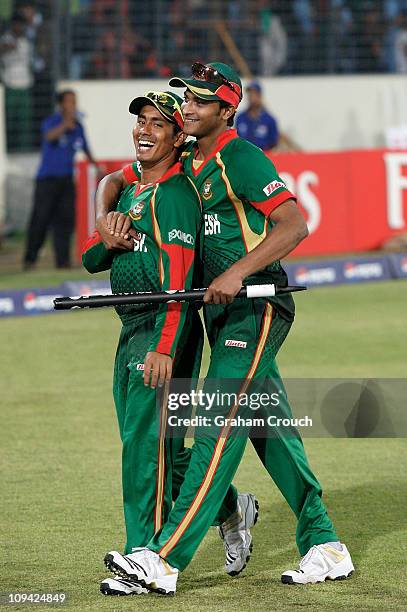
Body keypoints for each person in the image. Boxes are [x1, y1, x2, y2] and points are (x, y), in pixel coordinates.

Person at [100, 63, 354, 593]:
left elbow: (295, 224)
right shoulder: (187, 155)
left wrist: (237, 273)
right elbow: (115, 179)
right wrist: (105, 216)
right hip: (218, 314)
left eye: (198, 101)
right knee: (271, 431)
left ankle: (164, 559)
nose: (186, 107)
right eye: (185, 98)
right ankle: (325, 544)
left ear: (226, 110)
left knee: (219, 422)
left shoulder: (241, 156)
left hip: (257, 308)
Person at [84, 90, 258, 596]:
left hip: (161, 334)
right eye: (140, 121)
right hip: (131, 331)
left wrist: (164, 348)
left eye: (157, 124)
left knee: (146, 450)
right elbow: (91, 259)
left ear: (177, 136)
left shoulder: (176, 194)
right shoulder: (135, 187)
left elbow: (180, 284)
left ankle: (143, 553)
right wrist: (106, 230)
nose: (143, 130)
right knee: (150, 446)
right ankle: (229, 506)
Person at [23, 89, 97, 269]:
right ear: (61, 104)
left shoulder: (78, 127)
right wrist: (66, 125)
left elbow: (85, 149)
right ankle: (30, 259)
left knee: (65, 222)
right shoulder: (52, 122)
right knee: (40, 220)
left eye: (74, 101)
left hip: (66, 180)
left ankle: (63, 262)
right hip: (47, 180)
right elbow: (49, 137)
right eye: (69, 101)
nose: (73, 105)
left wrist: (97, 167)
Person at [236, 81, 301, 152]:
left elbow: (274, 144)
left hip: (263, 157)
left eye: (254, 94)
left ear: (259, 96)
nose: (251, 97)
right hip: (244, 156)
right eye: (249, 94)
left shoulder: (269, 119)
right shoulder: (240, 118)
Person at [0, 12, 33, 151]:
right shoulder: (5, 39)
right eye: (18, 24)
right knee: (9, 121)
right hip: (10, 85)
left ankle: (23, 149)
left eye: (22, 25)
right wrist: (8, 47)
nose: (20, 27)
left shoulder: (26, 41)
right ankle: (8, 148)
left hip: (25, 85)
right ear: (13, 25)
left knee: (24, 123)